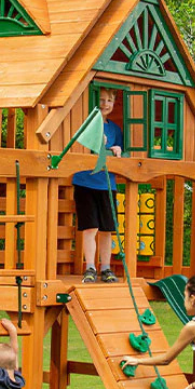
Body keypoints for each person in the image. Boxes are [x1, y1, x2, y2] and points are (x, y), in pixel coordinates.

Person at [73, 86, 124, 284]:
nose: (105, 104)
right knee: (90, 227)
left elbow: (120, 153)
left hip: (107, 184)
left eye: (109, 100)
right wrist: (95, 140)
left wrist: (117, 149)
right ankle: (90, 267)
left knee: (106, 229)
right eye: (101, 99)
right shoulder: (85, 124)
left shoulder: (115, 129)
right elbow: (77, 146)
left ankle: (106, 268)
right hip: (85, 182)